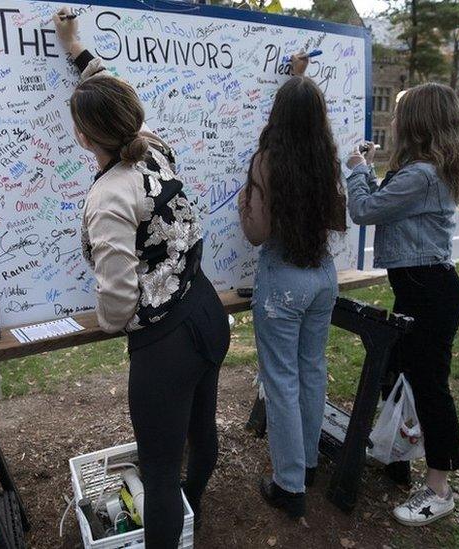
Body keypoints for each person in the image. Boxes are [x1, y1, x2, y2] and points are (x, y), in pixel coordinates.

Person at [53, 8, 230, 547]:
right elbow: (110, 92)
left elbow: (119, 295)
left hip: (166, 342)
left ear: (84, 139)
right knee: (201, 433)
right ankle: (192, 510)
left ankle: (173, 526)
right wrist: (76, 50)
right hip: (206, 311)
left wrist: (108, 323)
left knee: (157, 469)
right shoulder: (151, 143)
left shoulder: (108, 197)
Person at [345, 82, 459, 527]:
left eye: (400, 113)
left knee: (430, 386)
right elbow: (388, 205)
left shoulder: (422, 174)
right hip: (421, 289)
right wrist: (372, 169)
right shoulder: (424, 169)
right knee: (392, 371)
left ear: (417, 122)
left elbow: (364, 210)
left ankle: (439, 489)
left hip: (430, 293)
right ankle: (397, 456)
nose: (393, 120)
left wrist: (357, 169)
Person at [238, 54, 347, 518]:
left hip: (283, 279)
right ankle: (308, 464)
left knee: (281, 380)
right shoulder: (328, 157)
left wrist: (246, 204)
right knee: (312, 371)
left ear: (275, 118)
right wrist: (299, 77)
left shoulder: (267, 161)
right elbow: (338, 218)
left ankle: (289, 485)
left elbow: (258, 233)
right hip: (322, 276)